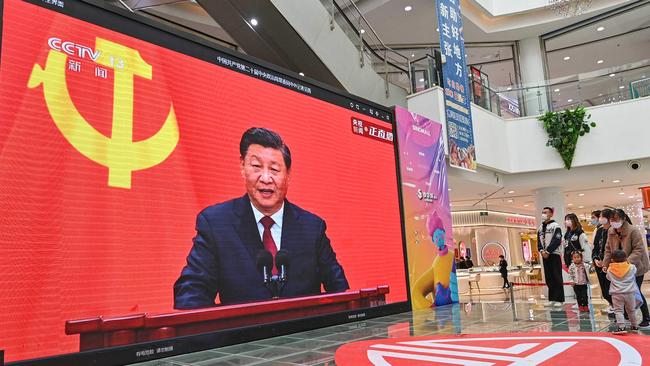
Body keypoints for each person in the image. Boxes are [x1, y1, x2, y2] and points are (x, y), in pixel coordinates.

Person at [173, 128, 349, 309]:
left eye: (274, 169)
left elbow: (341, 292)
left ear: (288, 175)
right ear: (242, 167)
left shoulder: (313, 228)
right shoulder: (216, 224)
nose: (265, 178)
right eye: (256, 167)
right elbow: (191, 293)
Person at [603, 208, 650, 328]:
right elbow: (608, 249)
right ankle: (626, 317)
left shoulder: (633, 231)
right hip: (618, 266)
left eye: (616, 219)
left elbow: (638, 249)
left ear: (623, 219)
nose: (613, 222)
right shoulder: (611, 231)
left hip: (635, 266)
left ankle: (646, 317)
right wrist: (605, 263)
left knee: (635, 291)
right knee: (621, 293)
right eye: (612, 219)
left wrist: (626, 263)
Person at [606, 250, 643, 334]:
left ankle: (621, 327)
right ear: (626, 258)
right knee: (631, 310)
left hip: (616, 293)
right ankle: (634, 326)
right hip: (630, 292)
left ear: (612, 260)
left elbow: (609, 278)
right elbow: (634, 273)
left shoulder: (610, 269)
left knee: (618, 311)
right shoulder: (632, 267)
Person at [537, 207, 564, 307]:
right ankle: (552, 298)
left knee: (556, 276)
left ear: (551, 214)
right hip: (544, 255)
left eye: (546, 212)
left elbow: (556, 240)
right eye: (542, 212)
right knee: (549, 277)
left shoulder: (555, 226)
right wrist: (541, 251)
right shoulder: (540, 228)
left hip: (554, 254)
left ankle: (559, 299)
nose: (543, 214)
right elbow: (539, 242)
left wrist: (548, 251)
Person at [593, 209, 614, 316]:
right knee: (604, 289)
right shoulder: (600, 230)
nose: (599, 219)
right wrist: (596, 259)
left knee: (611, 288)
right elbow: (596, 247)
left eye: (601, 216)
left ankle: (616, 307)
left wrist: (606, 262)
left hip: (611, 265)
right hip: (599, 264)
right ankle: (611, 305)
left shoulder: (614, 230)